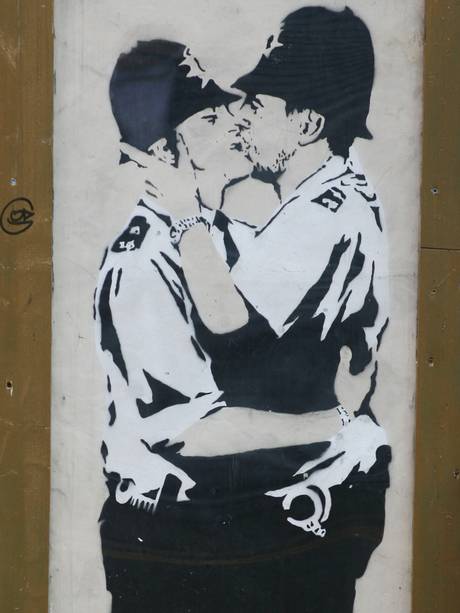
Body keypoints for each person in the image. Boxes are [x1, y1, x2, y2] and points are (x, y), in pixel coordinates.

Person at [96, 8, 391, 613]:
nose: (236, 117)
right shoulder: (143, 262)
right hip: (170, 545)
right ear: (166, 151)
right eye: (211, 115)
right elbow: (193, 432)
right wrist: (341, 421)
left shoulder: (230, 238)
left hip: (255, 536)